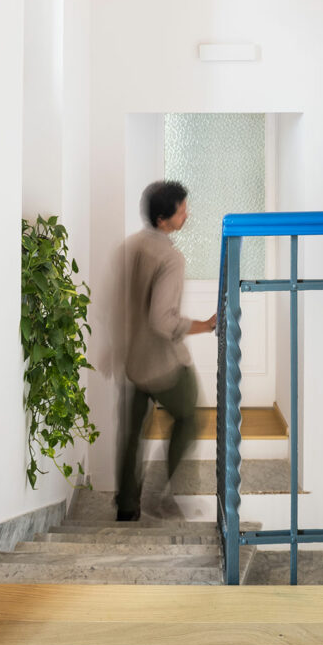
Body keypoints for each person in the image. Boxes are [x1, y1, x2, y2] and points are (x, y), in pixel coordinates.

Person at [115, 180, 216, 521]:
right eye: (182, 210)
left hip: (133, 359)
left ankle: (127, 506)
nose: (186, 214)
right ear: (163, 219)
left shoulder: (130, 248)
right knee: (189, 418)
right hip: (164, 364)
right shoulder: (170, 258)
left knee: (132, 433)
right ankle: (165, 495)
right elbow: (161, 320)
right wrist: (205, 325)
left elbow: (119, 303)